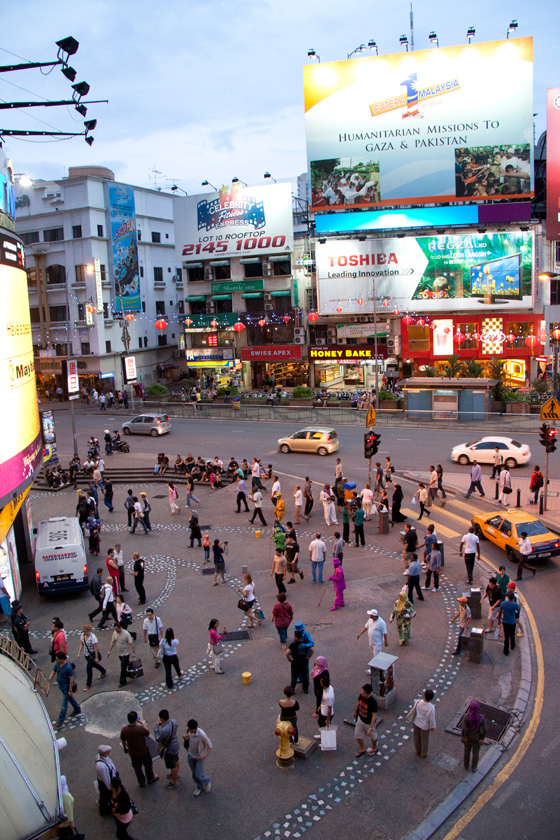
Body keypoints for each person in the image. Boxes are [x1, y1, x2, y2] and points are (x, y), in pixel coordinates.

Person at [121, 710, 158, 788]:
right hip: (143, 751)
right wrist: (142, 723)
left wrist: (125, 748)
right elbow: (147, 732)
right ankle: (150, 778)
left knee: (137, 768)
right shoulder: (140, 729)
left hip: (133, 753)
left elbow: (123, 740)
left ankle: (141, 782)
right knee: (148, 766)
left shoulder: (124, 730)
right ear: (135, 720)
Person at [49, 651, 81, 729]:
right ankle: (77, 708)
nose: (56, 660)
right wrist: (48, 681)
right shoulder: (57, 664)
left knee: (64, 704)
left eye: (57, 659)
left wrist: (70, 690)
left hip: (66, 687)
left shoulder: (68, 668)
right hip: (61, 686)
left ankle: (60, 720)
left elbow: (71, 679)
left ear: (61, 659)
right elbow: (53, 672)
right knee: (69, 699)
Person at [182, 719, 212, 796]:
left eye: (190, 729)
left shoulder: (202, 734)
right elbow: (190, 739)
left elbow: (210, 746)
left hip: (199, 756)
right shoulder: (189, 731)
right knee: (194, 774)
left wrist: (204, 756)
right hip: (190, 755)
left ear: (195, 729)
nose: (189, 730)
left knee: (198, 774)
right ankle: (200, 787)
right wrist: (186, 738)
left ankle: (206, 780)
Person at [155, 709, 181, 788]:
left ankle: (174, 781)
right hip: (175, 744)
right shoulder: (174, 722)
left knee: (172, 764)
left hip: (169, 748)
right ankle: (176, 774)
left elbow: (158, 738)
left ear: (161, 719)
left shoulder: (164, 730)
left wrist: (156, 728)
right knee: (176, 759)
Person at [77, 623, 106, 690]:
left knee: (89, 669)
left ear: (88, 631)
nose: (84, 632)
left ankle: (88, 684)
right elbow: (81, 644)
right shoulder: (82, 636)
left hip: (91, 655)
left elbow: (95, 648)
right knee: (94, 665)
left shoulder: (93, 637)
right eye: (83, 631)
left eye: (85, 631)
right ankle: (103, 671)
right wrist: (79, 653)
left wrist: (96, 657)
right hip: (86, 655)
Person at [286, 625, 314, 694]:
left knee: (295, 675)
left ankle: (293, 688)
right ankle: (305, 689)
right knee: (304, 674)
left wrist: (290, 659)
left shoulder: (295, 642)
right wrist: (308, 657)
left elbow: (287, 653)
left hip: (295, 661)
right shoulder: (302, 641)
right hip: (304, 660)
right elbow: (312, 650)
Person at [353, 683, 378, 757]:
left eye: (363, 693)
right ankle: (362, 748)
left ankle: (374, 748)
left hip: (369, 722)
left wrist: (371, 727)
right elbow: (358, 702)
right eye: (362, 691)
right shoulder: (361, 696)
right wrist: (355, 712)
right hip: (360, 719)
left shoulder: (373, 702)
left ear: (368, 694)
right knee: (357, 735)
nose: (361, 693)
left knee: (373, 736)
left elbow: (374, 716)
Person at [462, 700, 487, 771]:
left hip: (468, 738)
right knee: (475, 753)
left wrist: (464, 737)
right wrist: (482, 738)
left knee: (467, 751)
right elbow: (485, 729)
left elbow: (463, 728)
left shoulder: (466, 716)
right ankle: (474, 767)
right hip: (477, 738)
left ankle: (466, 765)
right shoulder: (482, 718)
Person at [412, 688, 436, 758]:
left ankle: (417, 750)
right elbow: (432, 719)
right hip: (425, 726)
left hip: (416, 722)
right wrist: (432, 727)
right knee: (424, 740)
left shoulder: (418, 702)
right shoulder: (431, 707)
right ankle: (423, 753)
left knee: (416, 738)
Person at [96, 744, 118, 816]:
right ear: (105, 753)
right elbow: (106, 779)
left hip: (109, 779)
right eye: (108, 752)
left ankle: (106, 808)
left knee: (105, 797)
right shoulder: (102, 766)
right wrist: (110, 788)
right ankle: (106, 810)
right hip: (106, 784)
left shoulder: (100, 758)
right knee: (106, 797)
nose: (109, 753)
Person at [314, 673, 334, 739]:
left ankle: (325, 740)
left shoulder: (328, 696)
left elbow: (329, 709)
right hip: (323, 710)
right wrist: (320, 706)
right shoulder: (330, 687)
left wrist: (328, 719)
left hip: (325, 714)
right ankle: (322, 735)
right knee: (321, 724)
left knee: (324, 726)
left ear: (322, 684)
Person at [499, 591, 519, 655]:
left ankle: (506, 650)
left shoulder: (503, 603)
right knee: (512, 634)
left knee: (506, 636)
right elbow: (518, 610)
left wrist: (499, 620)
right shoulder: (515, 605)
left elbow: (500, 612)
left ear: (508, 597)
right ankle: (512, 645)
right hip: (512, 622)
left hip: (505, 622)